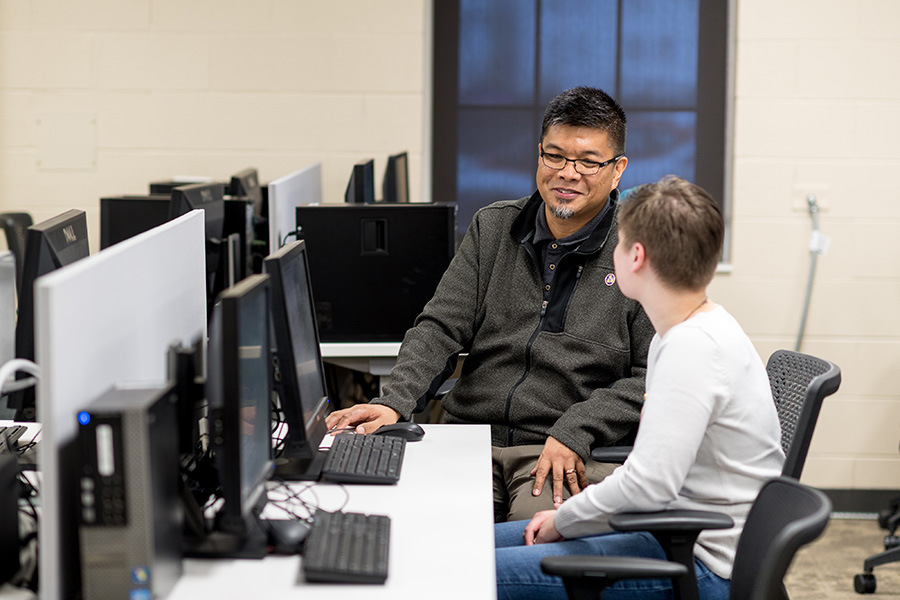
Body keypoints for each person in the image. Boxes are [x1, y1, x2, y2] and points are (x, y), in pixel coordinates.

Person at [326, 87, 655, 522]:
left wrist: (578, 429)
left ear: (617, 171)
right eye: (554, 156)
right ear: (539, 155)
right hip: (470, 439)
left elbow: (654, 375)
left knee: (525, 552)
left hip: (557, 449)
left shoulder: (638, 249)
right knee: (413, 528)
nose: (568, 173)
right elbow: (440, 327)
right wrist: (395, 401)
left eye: (588, 162)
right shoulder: (495, 227)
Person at [493, 175, 785, 600]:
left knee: (470, 576)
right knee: (465, 549)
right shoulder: (691, 329)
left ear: (636, 257)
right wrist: (572, 518)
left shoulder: (692, 348)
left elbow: (649, 485)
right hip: (674, 534)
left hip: (701, 566)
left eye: (618, 243)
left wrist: (565, 519)